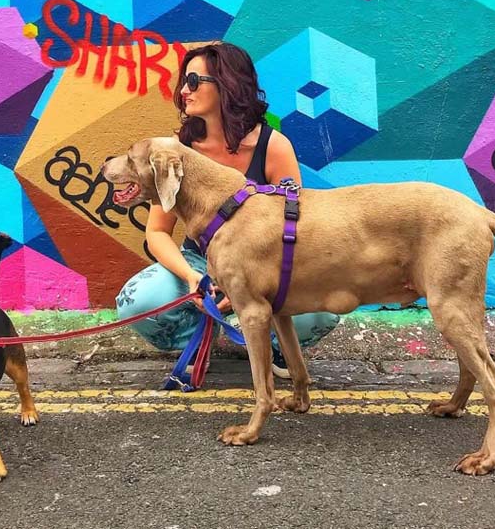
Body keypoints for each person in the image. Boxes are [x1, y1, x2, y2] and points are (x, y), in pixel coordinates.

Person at [115, 41, 339, 378]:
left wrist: (242, 289)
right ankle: (198, 337)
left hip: (263, 264)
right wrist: (192, 277)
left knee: (322, 309)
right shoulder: (179, 149)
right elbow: (157, 232)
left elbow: (295, 226)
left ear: (228, 85)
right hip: (200, 261)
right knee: (138, 300)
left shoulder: (272, 147)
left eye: (194, 82)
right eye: (183, 82)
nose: (183, 91)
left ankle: (276, 347)